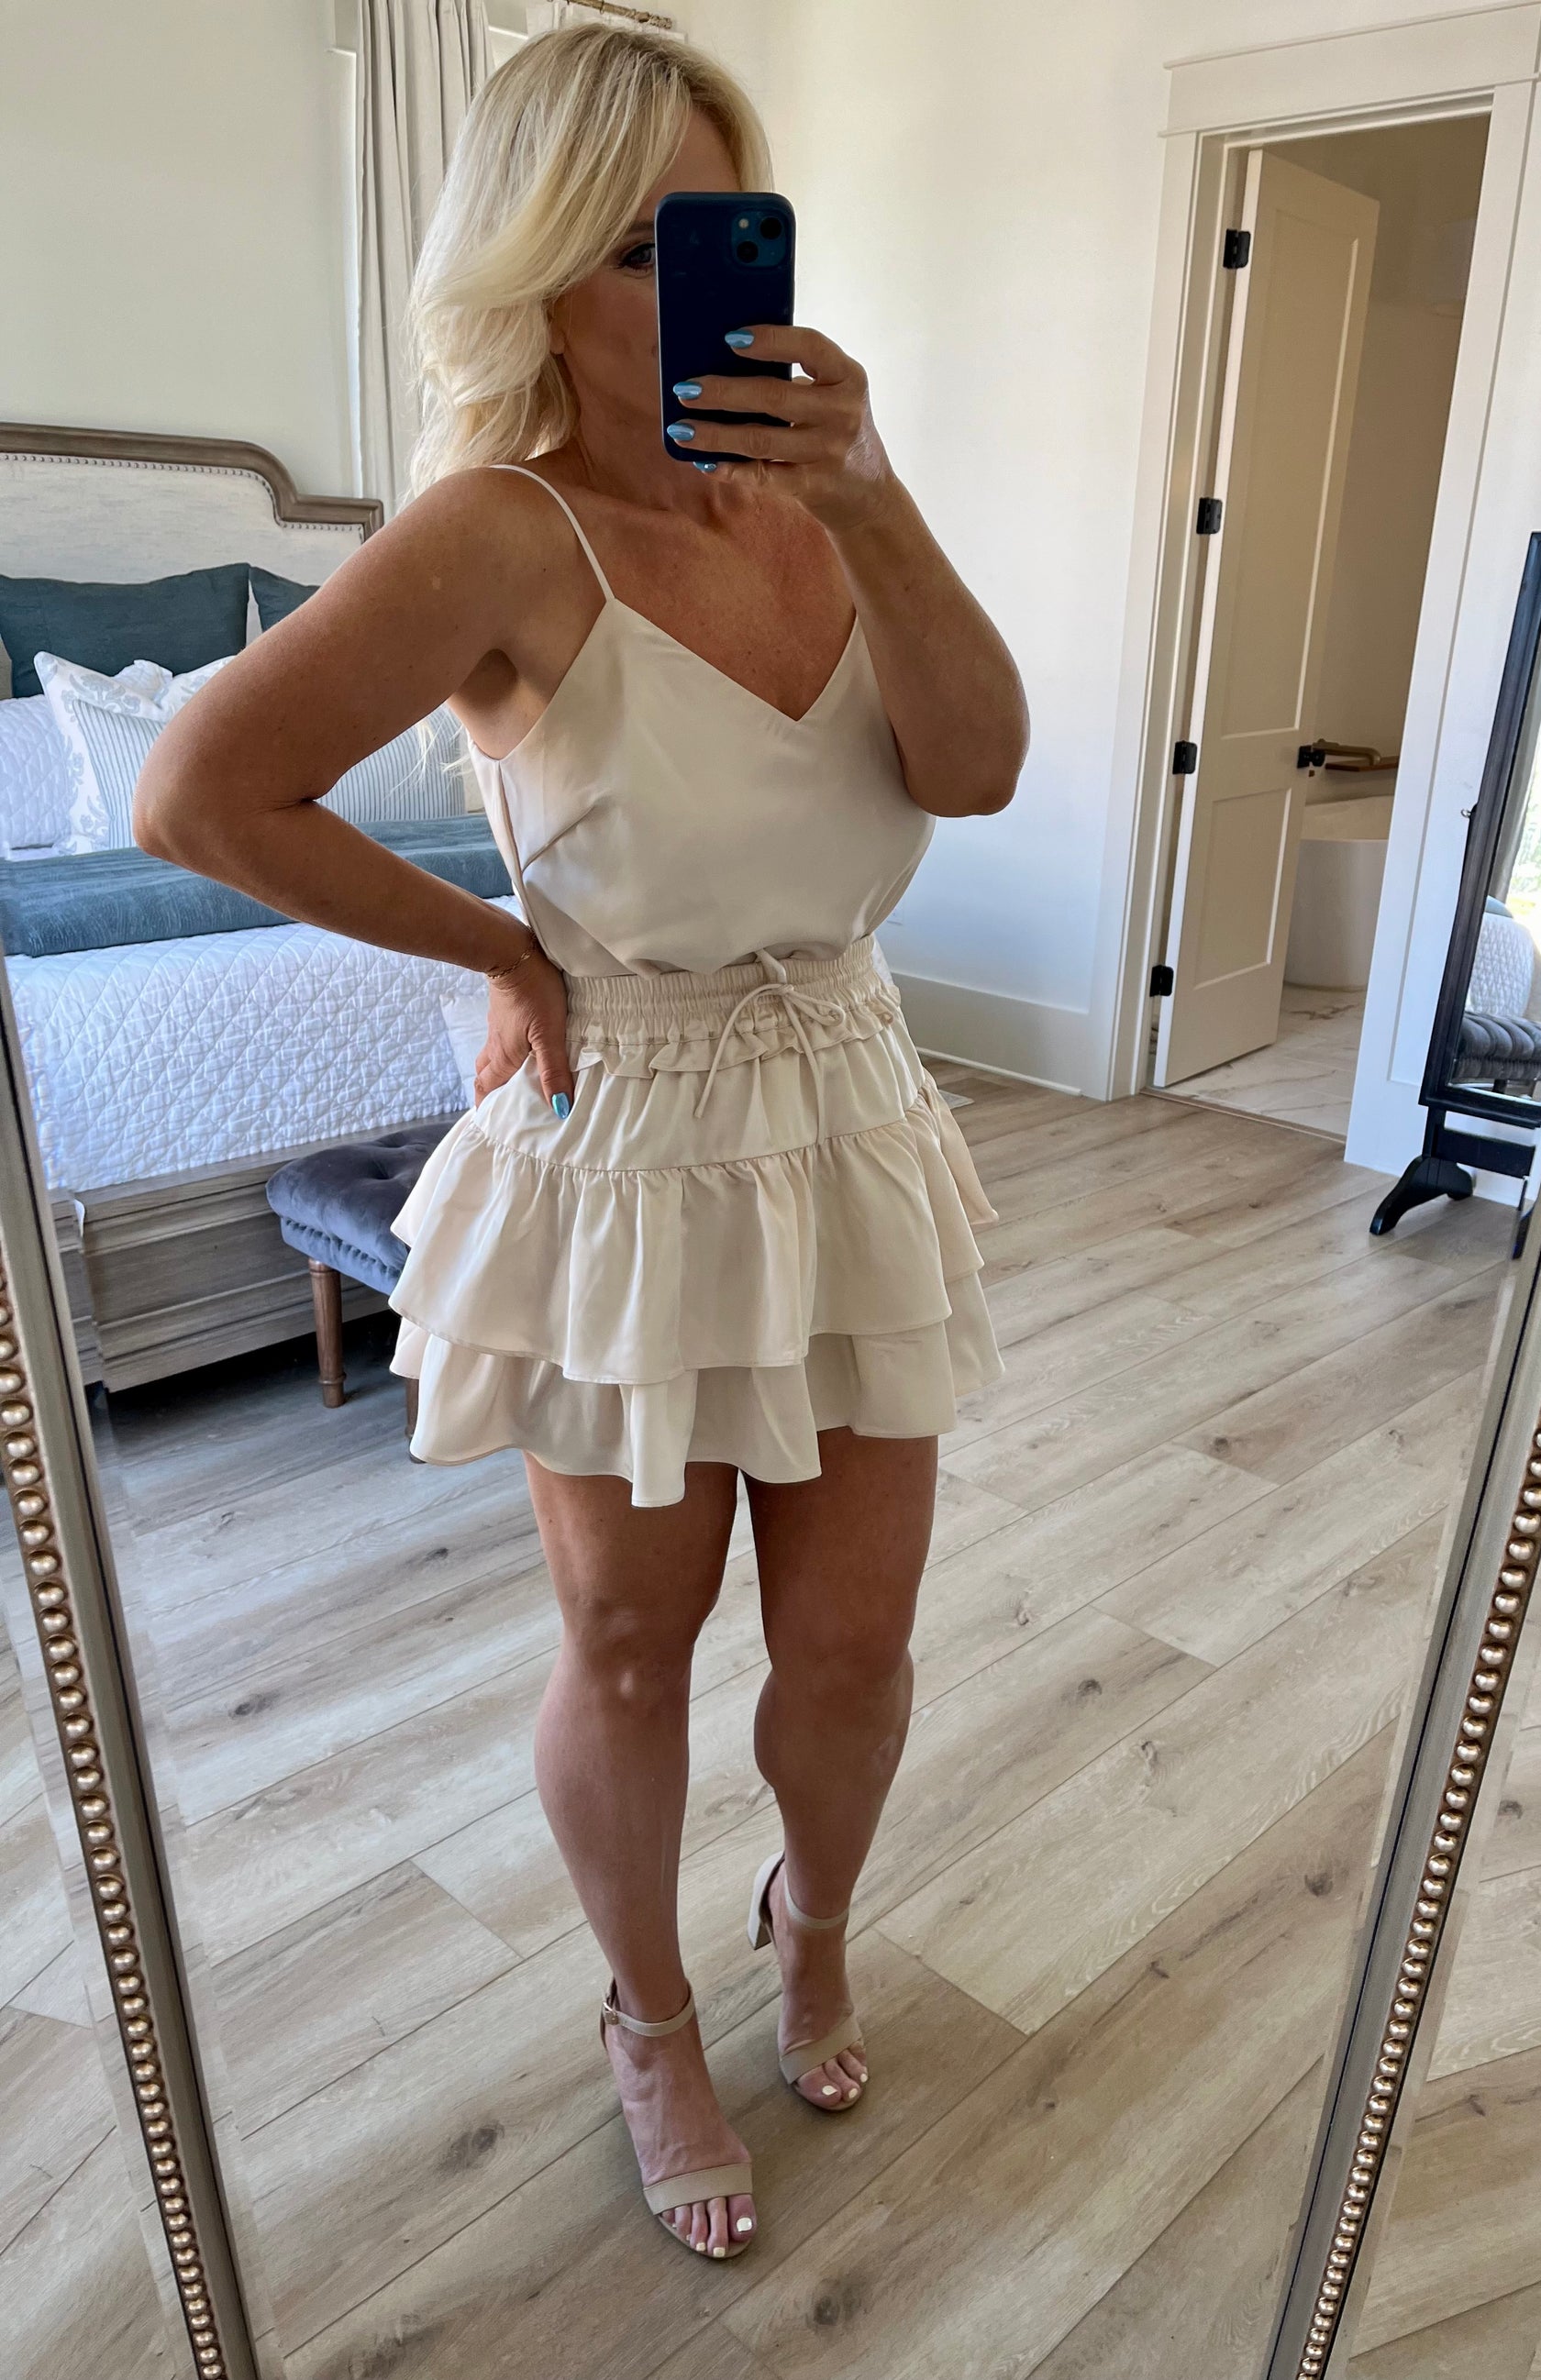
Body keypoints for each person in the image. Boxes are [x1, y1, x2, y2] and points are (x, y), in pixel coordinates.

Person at [136, 23, 1025, 2266]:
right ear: (534, 274)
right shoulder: (497, 533)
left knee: (854, 1648)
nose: (685, 283)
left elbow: (978, 764)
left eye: (717, 228)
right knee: (632, 1646)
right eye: (631, 246)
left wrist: (874, 499)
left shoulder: (834, 499)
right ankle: (650, 2018)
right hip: (625, 1137)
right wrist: (499, 948)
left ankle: (811, 1918)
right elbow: (199, 791)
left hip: (848, 1103)